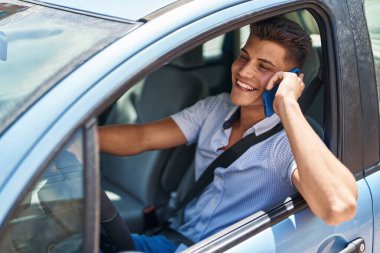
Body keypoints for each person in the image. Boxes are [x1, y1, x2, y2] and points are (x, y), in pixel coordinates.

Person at [98, 17, 358, 252]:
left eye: (264, 67)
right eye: (244, 57)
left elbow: (339, 206)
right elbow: (141, 137)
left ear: (287, 79)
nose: (244, 72)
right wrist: (82, 141)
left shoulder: (290, 142)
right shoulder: (216, 107)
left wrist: (288, 104)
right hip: (173, 241)